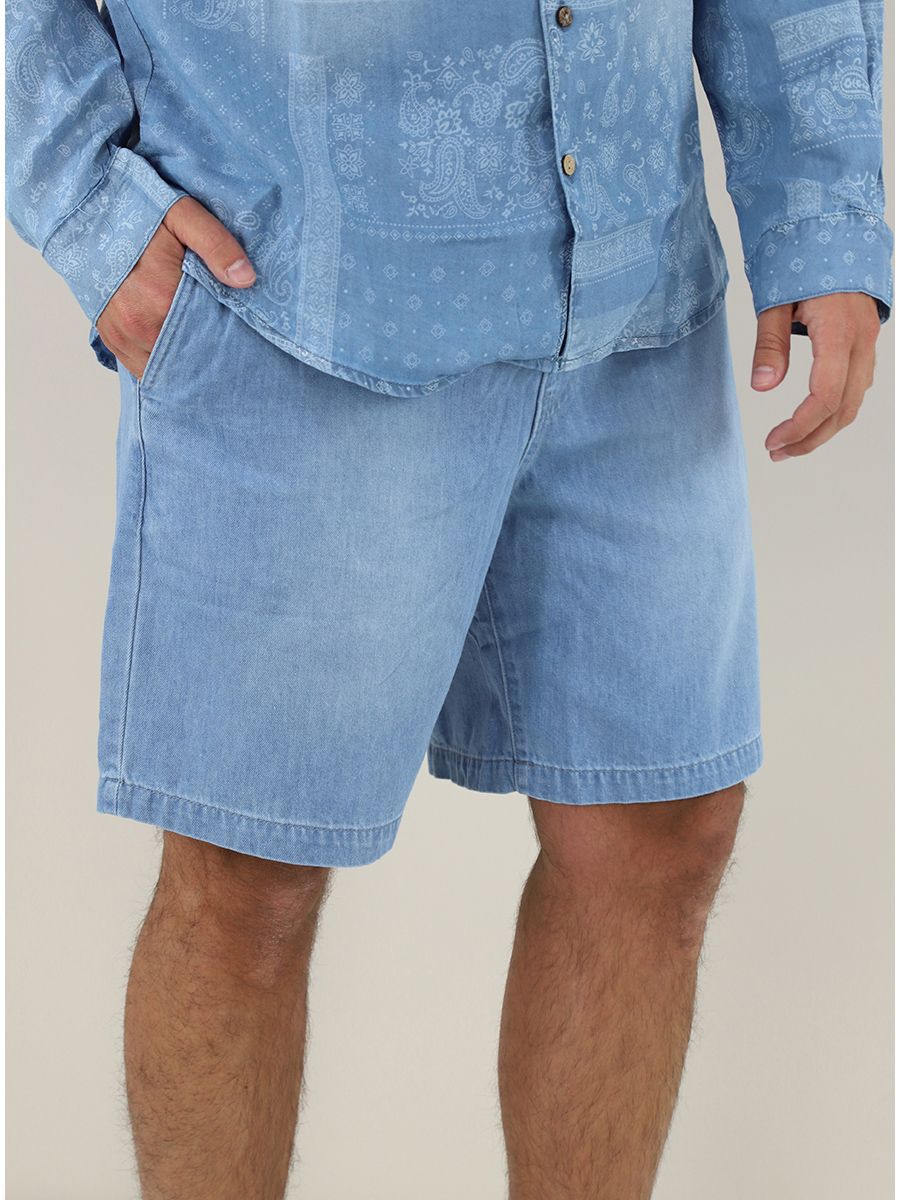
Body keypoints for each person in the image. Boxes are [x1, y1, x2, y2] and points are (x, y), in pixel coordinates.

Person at [6, 0, 892, 1195]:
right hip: (296, 281)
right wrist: (87, 199)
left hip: (629, 279)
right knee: (248, 885)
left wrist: (823, 203)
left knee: (659, 832)